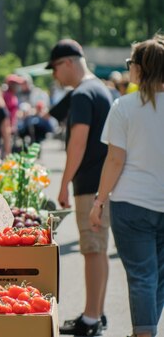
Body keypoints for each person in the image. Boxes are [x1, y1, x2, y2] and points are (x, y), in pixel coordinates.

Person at [90, 36, 164, 337]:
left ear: (140, 68)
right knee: (156, 276)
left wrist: (99, 202)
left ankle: (144, 333)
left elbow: (115, 160)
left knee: (142, 275)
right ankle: (144, 330)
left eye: (130, 63)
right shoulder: (125, 104)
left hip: (131, 204)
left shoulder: (124, 106)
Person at [49, 39, 113, 336]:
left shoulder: (82, 94)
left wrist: (63, 185)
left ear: (69, 63)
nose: (55, 77)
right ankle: (95, 313)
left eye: (56, 68)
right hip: (101, 182)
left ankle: (90, 319)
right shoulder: (100, 88)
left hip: (90, 184)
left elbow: (78, 142)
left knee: (92, 249)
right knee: (97, 249)